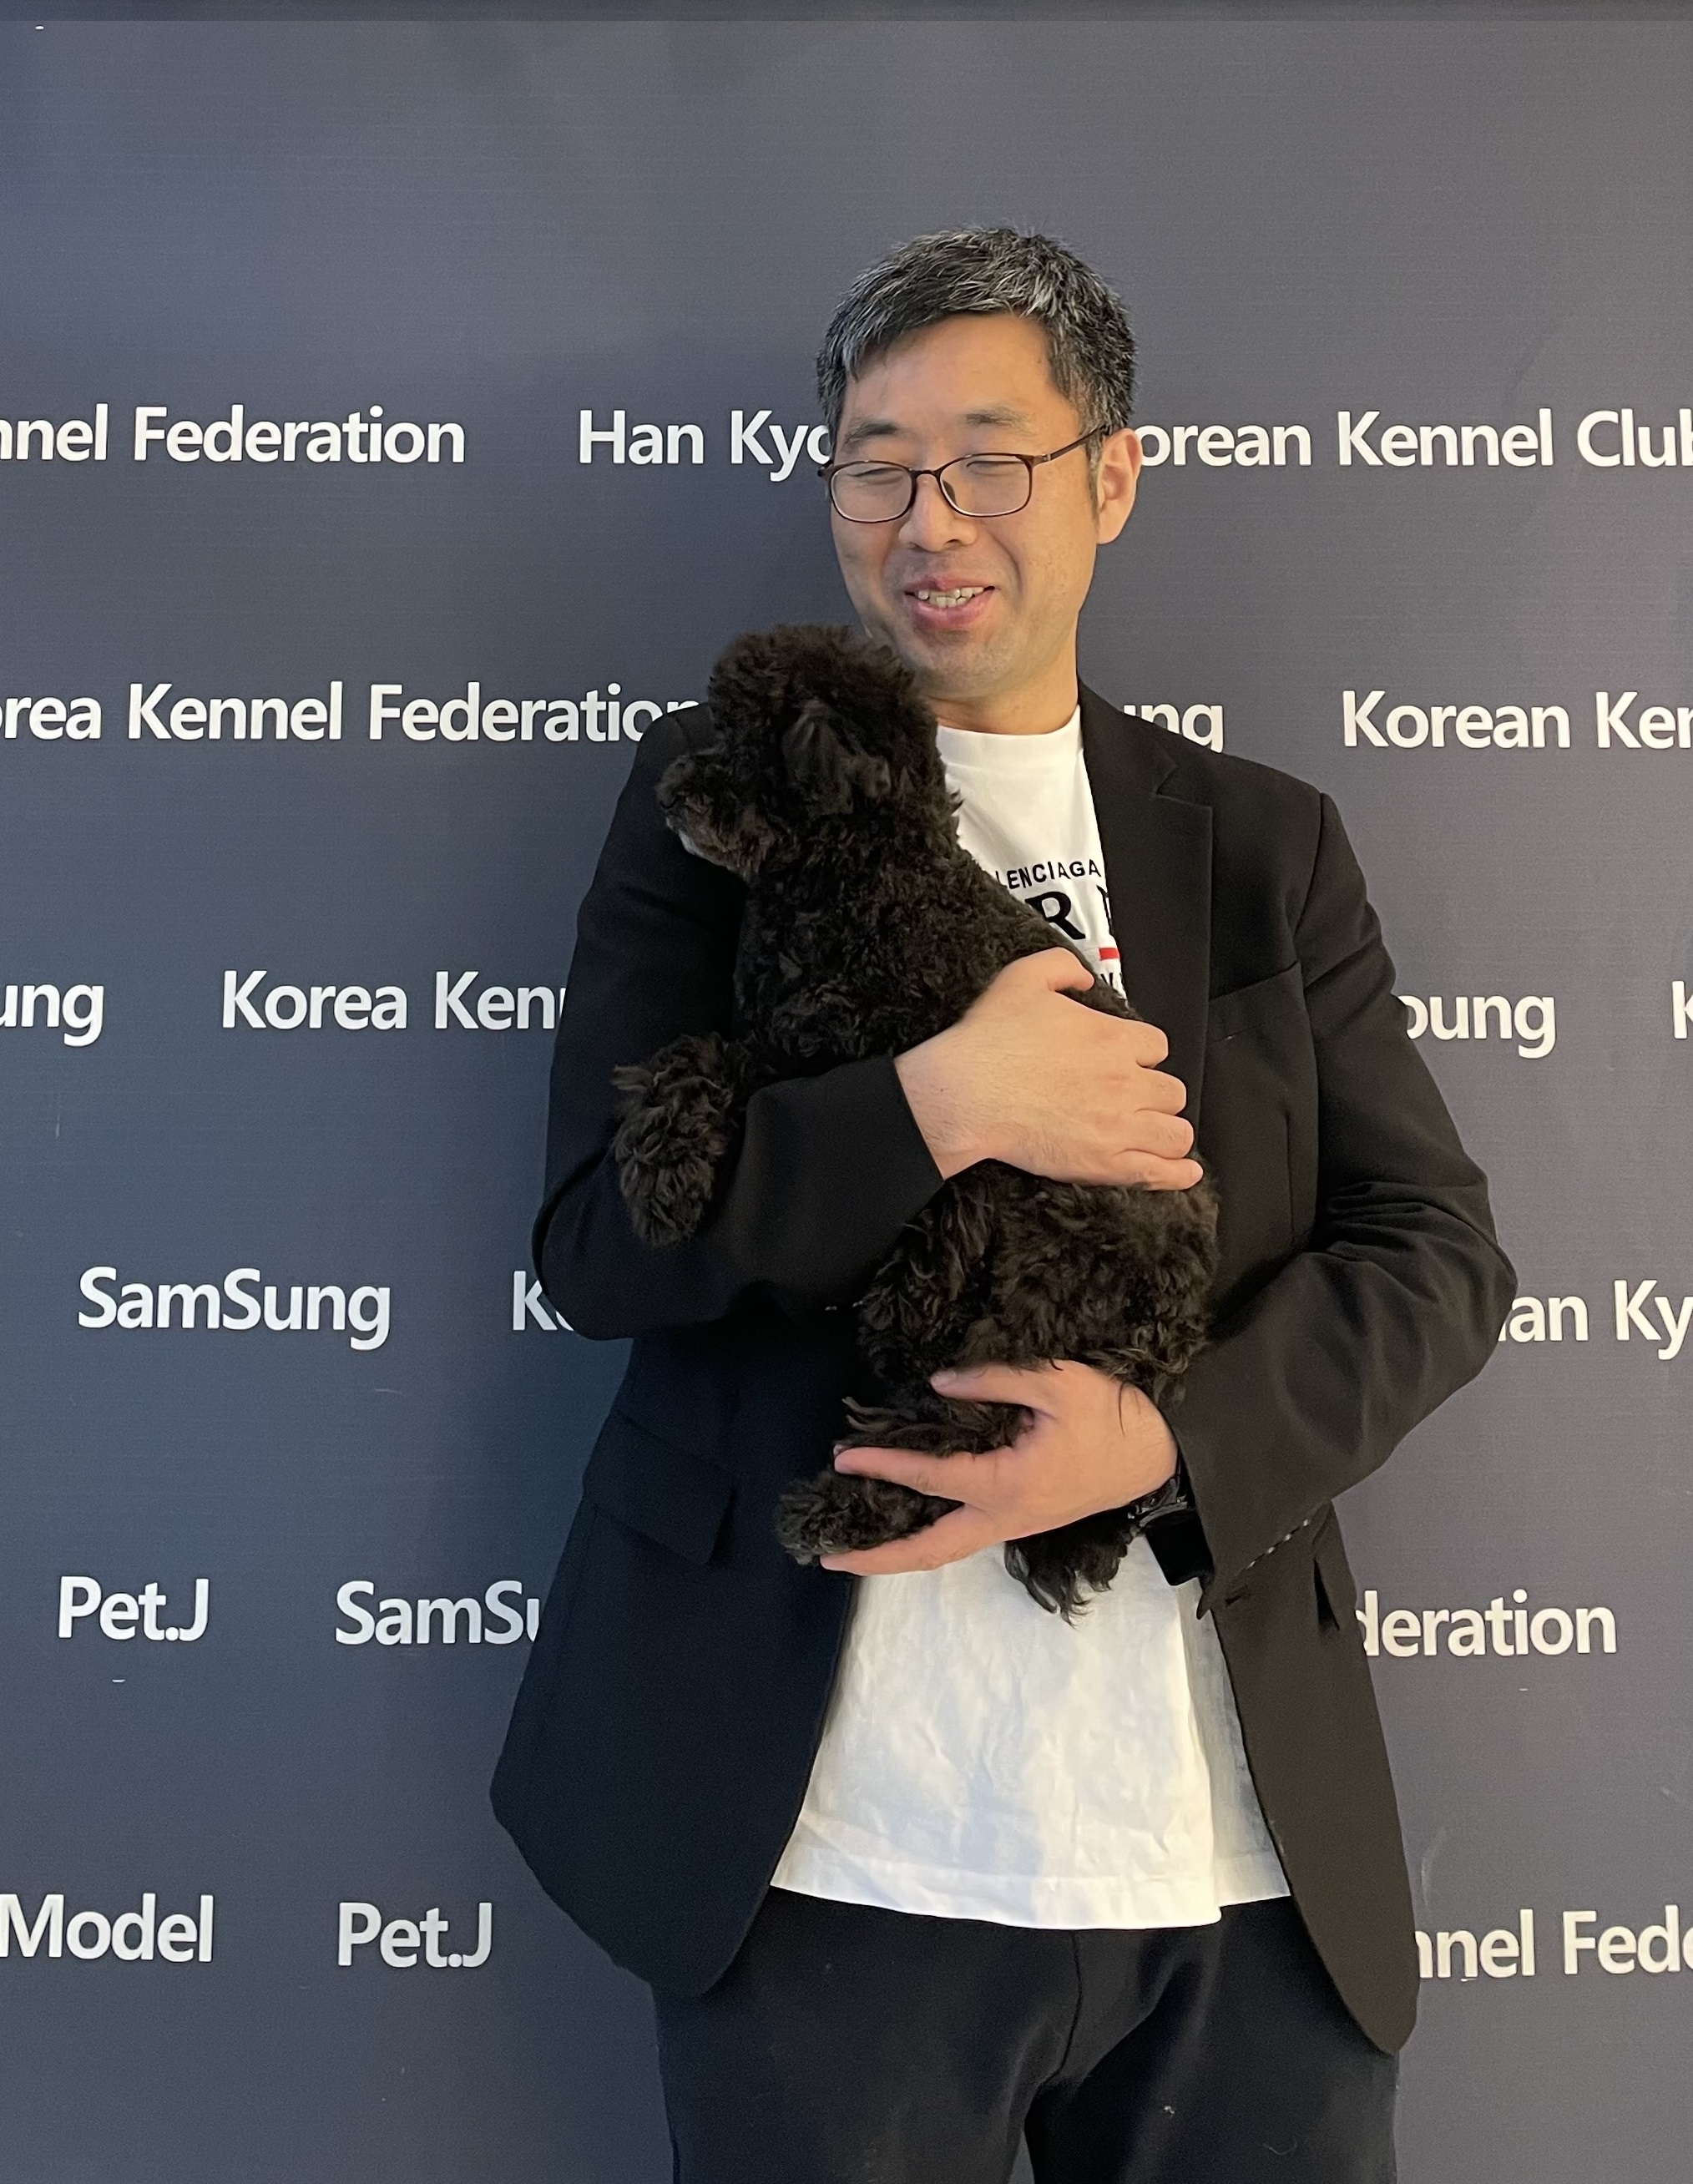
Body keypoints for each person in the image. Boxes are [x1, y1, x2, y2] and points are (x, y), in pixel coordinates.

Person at [493, 227, 1514, 2182]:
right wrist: (939, 1105)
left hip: (1227, 1853)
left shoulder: (1264, 844)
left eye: (989, 458)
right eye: (876, 465)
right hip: (823, 1845)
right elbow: (600, 1245)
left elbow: (1436, 1256)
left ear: (1110, 478)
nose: (929, 520)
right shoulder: (718, 806)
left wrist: (1162, 1447)